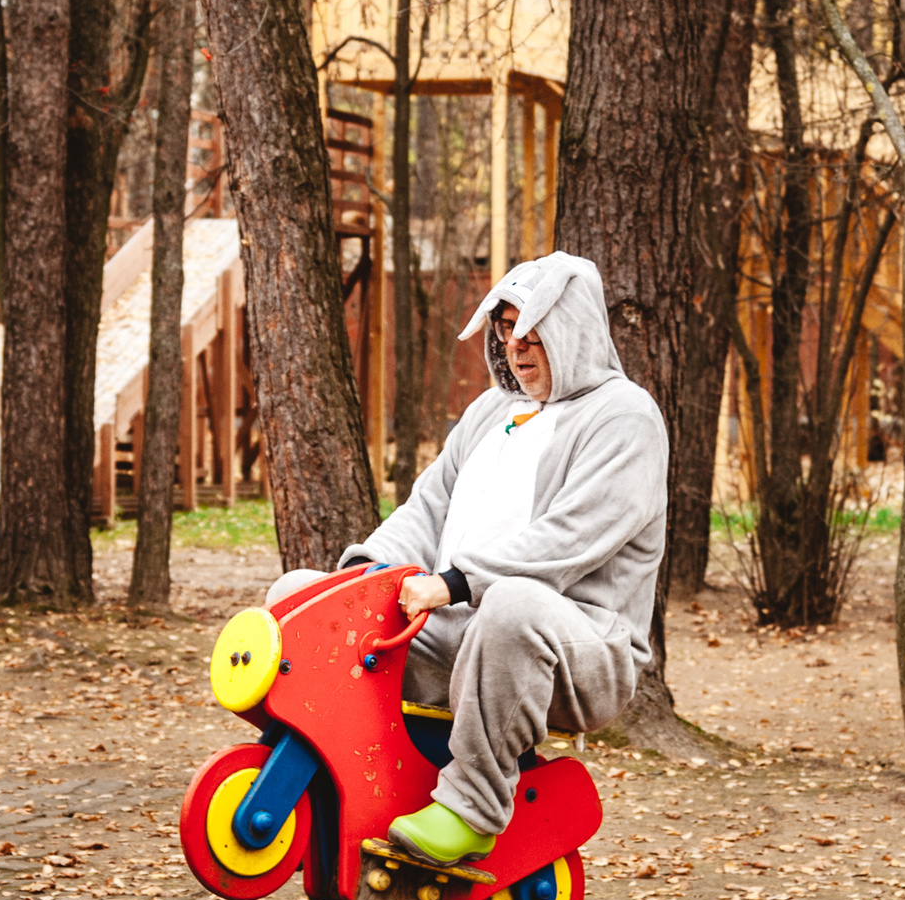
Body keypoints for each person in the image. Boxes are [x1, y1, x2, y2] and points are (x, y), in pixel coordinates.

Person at [267, 251, 668, 867]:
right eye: (506, 329)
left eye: (534, 331)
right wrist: (368, 573)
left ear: (575, 327)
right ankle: (317, 765)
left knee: (511, 605)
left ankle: (474, 809)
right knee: (299, 594)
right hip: (455, 634)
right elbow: (425, 509)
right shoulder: (489, 412)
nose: (517, 346)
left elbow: (571, 538)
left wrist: (455, 582)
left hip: (576, 649)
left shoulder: (624, 417)